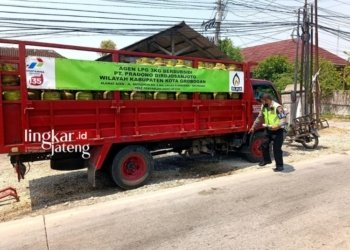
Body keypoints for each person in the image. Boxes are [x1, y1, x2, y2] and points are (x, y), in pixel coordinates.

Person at [249, 93, 287, 171]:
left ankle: (279, 165)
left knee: (276, 149)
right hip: (268, 129)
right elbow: (259, 117)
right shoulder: (264, 106)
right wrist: (253, 127)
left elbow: (283, 120)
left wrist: (277, 126)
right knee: (264, 145)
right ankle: (266, 160)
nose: (260, 102)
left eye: (262, 101)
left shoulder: (278, 107)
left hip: (278, 131)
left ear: (267, 100)